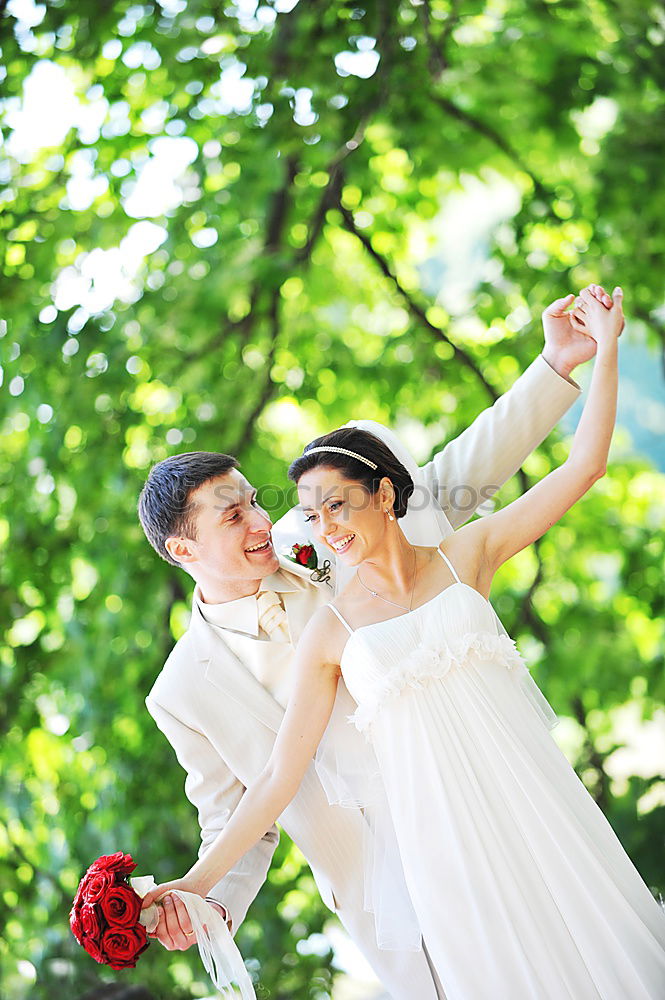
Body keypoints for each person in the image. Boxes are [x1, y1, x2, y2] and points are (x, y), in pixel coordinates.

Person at [143, 285, 665, 998]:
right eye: (233, 517)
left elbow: (466, 476)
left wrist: (557, 364)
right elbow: (250, 803)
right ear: (183, 549)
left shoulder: (339, 532)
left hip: (500, 790)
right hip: (386, 888)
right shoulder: (184, 691)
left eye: (256, 501)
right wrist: (202, 896)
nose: (264, 524)